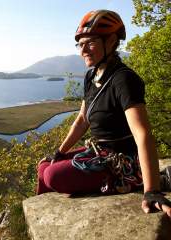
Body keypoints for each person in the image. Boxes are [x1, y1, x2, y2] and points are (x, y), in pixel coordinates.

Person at [37, 9, 171, 217]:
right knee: (45, 165)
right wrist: (60, 152)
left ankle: (140, 179)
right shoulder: (91, 77)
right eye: (80, 45)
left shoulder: (123, 80)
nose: (83, 51)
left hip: (121, 161)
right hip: (99, 152)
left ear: (111, 41)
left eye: (89, 43)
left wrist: (152, 191)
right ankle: (41, 216)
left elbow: (142, 134)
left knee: (53, 175)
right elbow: (82, 120)